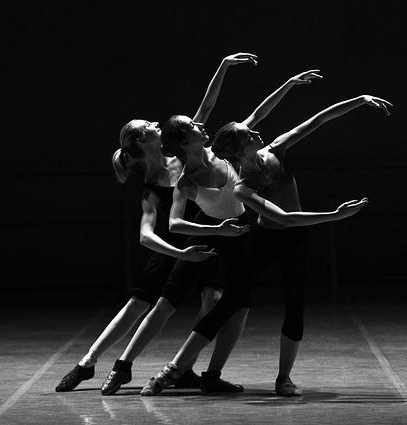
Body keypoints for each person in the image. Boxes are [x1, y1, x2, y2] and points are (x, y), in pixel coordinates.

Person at [141, 90, 392, 397]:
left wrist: (359, 100)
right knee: (230, 302)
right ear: (240, 149)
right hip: (266, 239)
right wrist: (335, 215)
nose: (257, 132)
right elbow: (283, 218)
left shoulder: (276, 149)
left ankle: (283, 378)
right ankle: (172, 370)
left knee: (295, 305)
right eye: (249, 135)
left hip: (295, 239)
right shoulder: (244, 188)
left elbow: (318, 119)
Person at [55, 52, 257, 394]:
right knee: (141, 304)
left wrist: (222, 66)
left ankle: (187, 367)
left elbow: (205, 109)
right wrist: (179, 252)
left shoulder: (181, 157)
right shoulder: (151, 188)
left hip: (202, 236)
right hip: (173, 245)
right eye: (149, 126)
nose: (156, 124)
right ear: (140, 141)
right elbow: (147, 236)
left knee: (213, 297)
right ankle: (88, 364)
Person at [138, 69, 325, 395]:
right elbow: (174, 225)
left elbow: (255, 113)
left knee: (240, 305)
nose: (201, 125)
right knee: (192, 301)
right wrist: (217, 230)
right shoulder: (187, 178)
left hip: (243, 234)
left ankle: (212, 374)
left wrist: (286, 84)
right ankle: (166, 369)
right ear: (184, 142)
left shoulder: (220, 151)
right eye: (194, 127)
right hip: (217, 237)